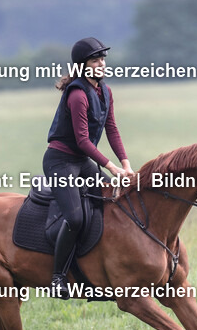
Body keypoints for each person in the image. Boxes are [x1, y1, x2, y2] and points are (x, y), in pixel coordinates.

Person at [43, 37, 134, 298]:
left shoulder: (105, 92)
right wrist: (112, 168)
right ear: (84, 66)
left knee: (110, 203)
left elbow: (112, 129)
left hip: (82, 162)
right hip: (61, 162)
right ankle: (58, 277)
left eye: (103, 59)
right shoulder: (77, 95)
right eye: (96, 60)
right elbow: (82, 140)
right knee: (75, 218)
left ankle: (97, 270)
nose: (102, 63)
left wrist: (126, 164)